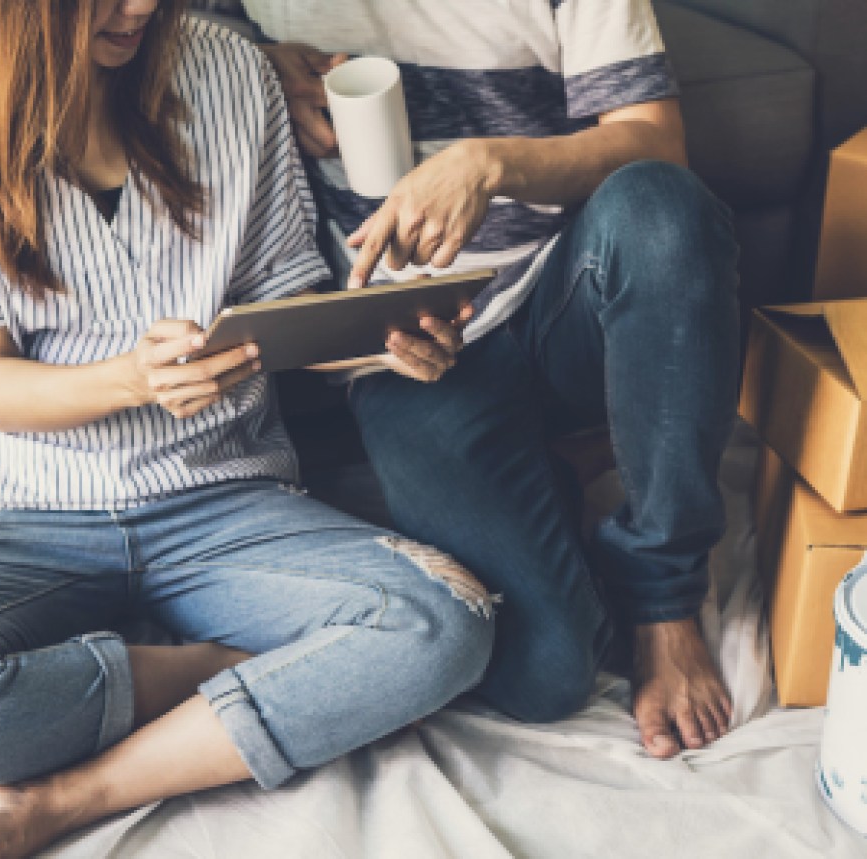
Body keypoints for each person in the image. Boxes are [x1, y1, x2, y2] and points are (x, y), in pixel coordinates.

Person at [0, 2, 496, 857]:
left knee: (446, 622)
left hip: (223, 496)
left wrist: (379, 345)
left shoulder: (231, 70)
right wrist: (130, 378)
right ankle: (213, 664)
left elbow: (281, 314)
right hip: (17, 509)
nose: (143, 7)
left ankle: (68, 797)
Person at [226, 0, 741, 759]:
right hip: (403, 348)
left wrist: (492, 164)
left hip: (562, 290)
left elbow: (654, 139)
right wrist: (253, 60)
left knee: (665, 211)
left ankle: (663, 592)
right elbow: (155, 36)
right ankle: (557, 474)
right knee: (545, 677)